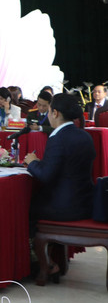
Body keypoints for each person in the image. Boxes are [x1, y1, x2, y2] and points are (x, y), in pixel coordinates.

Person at [24, 94, 95, 281]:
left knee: (26, 208)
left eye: (48, 111)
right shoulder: (85, 136)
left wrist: (32, 163)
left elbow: (46, 176)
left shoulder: (58, 138)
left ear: (55, 112)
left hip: (64, 208)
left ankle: (42, 262)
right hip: (86, 203)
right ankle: (51, 260)